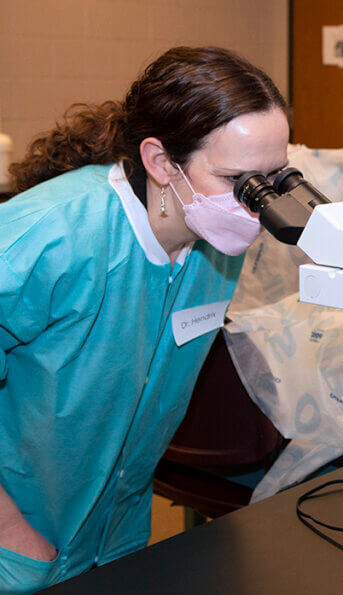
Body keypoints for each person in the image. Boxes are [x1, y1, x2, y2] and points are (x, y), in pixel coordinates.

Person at [0, 46, 289, 591]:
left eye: (273, 177)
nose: (258, 203)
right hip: (19, 536)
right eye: (239, 181)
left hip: (118, 529)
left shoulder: (217, 241)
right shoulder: (45, 237)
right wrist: (11, 532)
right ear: (160, 162)